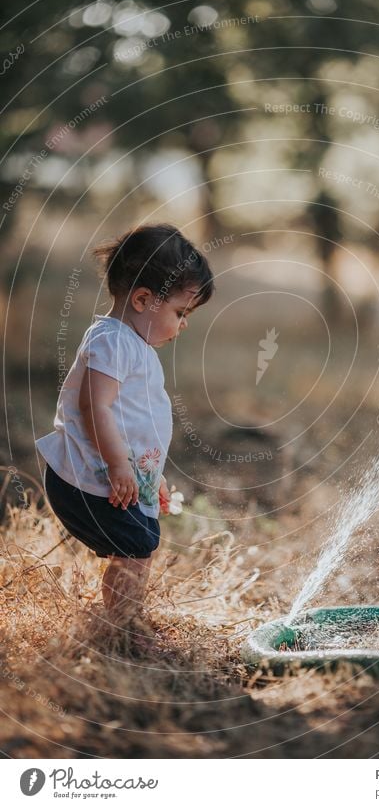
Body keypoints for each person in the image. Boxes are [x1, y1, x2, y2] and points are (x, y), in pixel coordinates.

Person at [35, 223, 214, 644]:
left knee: (138, 545)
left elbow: (137, 423)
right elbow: (93, 407)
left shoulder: (133, 345)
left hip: (112, 478)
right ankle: (121, 626)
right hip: (89, 480)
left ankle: (123, 618)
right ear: (142, 300)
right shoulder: (112, 340)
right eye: (180, 313)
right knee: (136, 545)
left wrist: (152, 477)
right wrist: (118, 465)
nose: (183, 325)